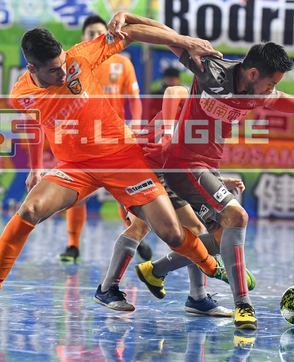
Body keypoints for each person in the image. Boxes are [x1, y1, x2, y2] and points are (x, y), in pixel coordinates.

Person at [0, 11, 229, 319]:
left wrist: (186, 42)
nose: (63, 72)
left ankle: (211, 269)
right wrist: (36, 168)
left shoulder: (80, 56)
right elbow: (35, 125)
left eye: (63, 64)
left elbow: (132, 31)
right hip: (75, 166)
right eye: (53, 70)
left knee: (171, 232)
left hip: (123, 158)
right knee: (29, 210)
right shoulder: (21, 96)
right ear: (31, 69)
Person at [104, 37, 294, 329]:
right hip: (159, 164)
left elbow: (280, 99)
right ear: (253, 73)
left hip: (193, 167)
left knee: (213, 237)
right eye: (270, 83)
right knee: (171, 224)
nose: (271, 90)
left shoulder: (249, 93)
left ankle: (169, 278)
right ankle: (112, 287)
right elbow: (173, 89)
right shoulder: (205, 82)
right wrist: (134, 28)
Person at [93, 85, 254, 315]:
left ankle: (193, 295)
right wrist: (168, 133)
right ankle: (111, 287)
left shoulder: (216, 121)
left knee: (188, 228)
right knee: (150, 226)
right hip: (144, 163)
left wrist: (220, 181)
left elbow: (200, 160)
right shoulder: (201, 98)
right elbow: (171, 92)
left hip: (166, 171)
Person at [59, 14, 151, 263]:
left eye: (100, 33)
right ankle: (73, 245)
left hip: (115, 139)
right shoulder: (74, 64)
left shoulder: (123, 63)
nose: (96, 37)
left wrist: (136, 124)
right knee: (77, 193)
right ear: (83, 38)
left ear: (108, 35)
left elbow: (135, 100)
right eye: (91, 34)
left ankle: (134, 235)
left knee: (126, 193)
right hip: (83, 139)